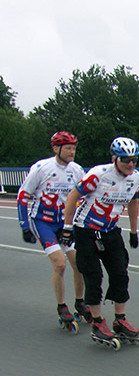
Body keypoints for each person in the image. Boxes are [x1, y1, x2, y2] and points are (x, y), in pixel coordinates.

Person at [60, 136, 139, 344]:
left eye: (134, 159)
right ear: (115, 158)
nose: (130, 164)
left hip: (110, 230)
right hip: (86, 230)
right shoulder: (98, 174)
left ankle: (120, 319)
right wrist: (67, 228)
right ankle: (97, 321)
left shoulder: (136, 178)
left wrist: (134, 231)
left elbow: (133, 202)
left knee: (120, 273)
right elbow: (72, 197)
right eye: (125, 160)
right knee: (93, 276)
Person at [16, 131, 87, 329]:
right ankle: (61, 306)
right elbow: (23, 196)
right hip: (43, 222)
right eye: (68, 148)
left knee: (79, 263)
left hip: (65, 224)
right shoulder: (41, 168)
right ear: (56, 149)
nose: (72, 152)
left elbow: (83, 197)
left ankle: (80, 302)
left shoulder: (77, 170)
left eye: (74, 148)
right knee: (60, 263)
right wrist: (25, 227)